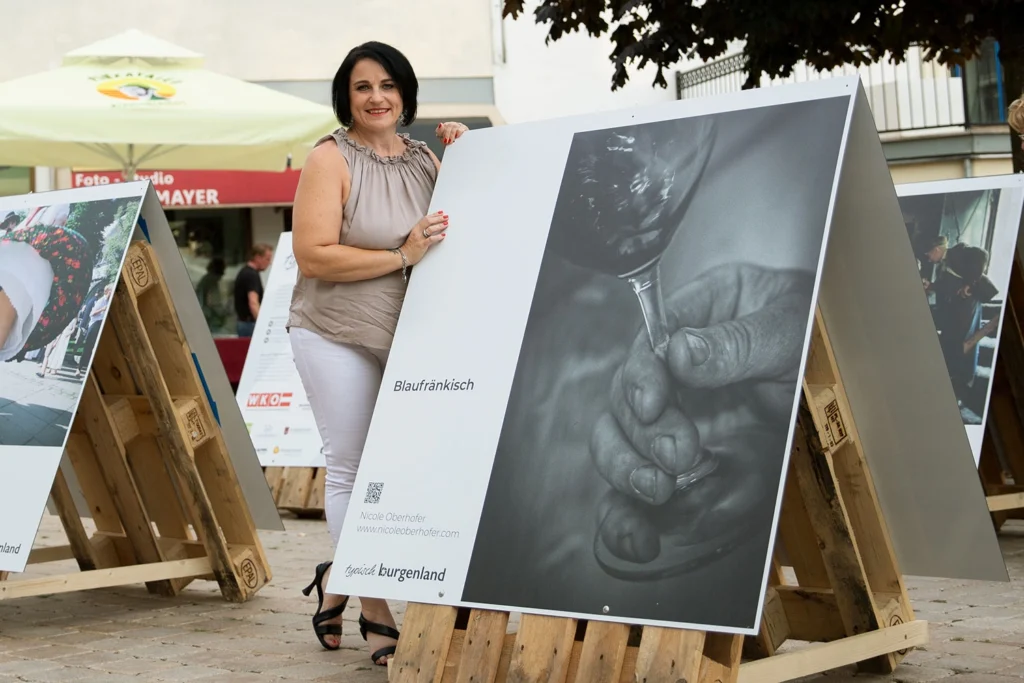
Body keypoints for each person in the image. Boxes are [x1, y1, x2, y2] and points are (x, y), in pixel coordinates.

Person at [286, 40, 469, 665]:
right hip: (333, 328)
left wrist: (468, 151)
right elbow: (313, 255)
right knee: (351, 467)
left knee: (405, 470)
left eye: (388, 85)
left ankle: (339, 580)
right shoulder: (329, 159)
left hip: (411, 334)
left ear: (405, 94)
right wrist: (400, 257)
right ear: (347, 96)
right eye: (363, 86)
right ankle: (377, 607)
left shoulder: (424, 159)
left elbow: (474, 217)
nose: (377, 97)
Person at [233, 244, 273, 337]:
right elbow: (253, 302)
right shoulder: (251, 275)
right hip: (250, 324)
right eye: (267, 259)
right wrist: (262, 325)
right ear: (258, 258)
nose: (270, 263)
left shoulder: (245, 272)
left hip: (244, 323)